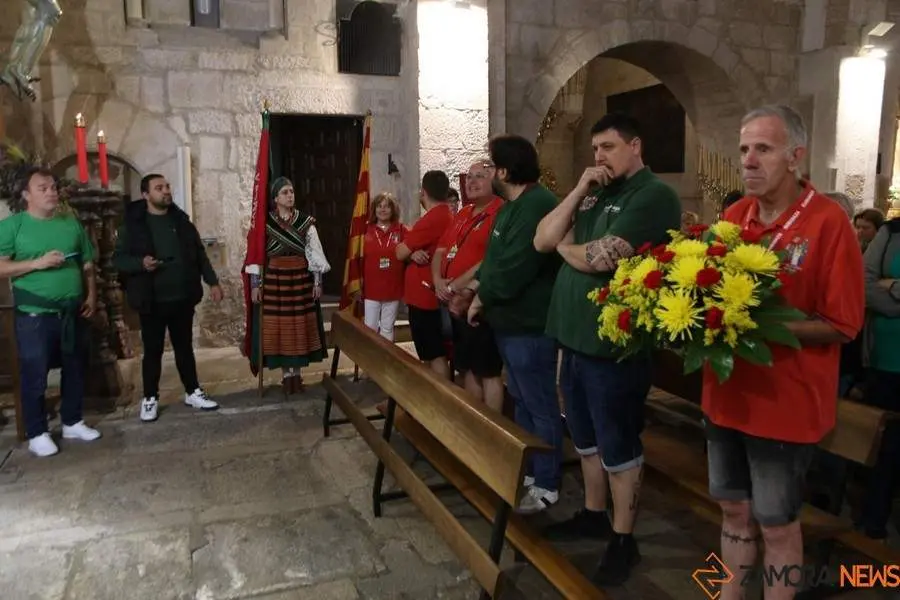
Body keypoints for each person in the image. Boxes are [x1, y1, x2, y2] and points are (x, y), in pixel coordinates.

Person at [703, 105, 864, 600]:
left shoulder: (828, 222)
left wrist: (758, 326)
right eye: (744, 149)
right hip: (727, 396)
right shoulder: (734, 216)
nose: (748, 160)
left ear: (795, 156)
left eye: (763, 149)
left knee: (776, 525)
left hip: (785, 405)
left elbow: (843, 324)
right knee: (732, 510)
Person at [534, 112, 682, 584]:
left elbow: (605, 258)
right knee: (585, 437)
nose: (599, 156)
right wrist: (577, 191)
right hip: (574, 339)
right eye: (594, 148)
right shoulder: (596, 191)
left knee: (618, 443)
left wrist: (567, 247)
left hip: (613, 344)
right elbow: (543, 238)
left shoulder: (653, 195)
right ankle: (595, 513)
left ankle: (624, 538)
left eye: (609, 147)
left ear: (635, 145)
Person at [458, 135, 564, 514]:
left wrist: (481, 297)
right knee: (521, 402)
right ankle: (531, 472)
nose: (486, 172)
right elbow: (494, 259)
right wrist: (473, 286)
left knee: (540, 406)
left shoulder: (538, 204)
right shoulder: (508, 208)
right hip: (508, 326)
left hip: (530, 327)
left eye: (489, 166)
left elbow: (516, 268)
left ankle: (549, 483)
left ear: (504, 170)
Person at [0, 166, 101, 456]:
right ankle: (37, 431)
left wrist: (91, 296)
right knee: (35, 372)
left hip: (72, 311)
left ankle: (72, 421)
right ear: (26, 194)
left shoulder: (70, 222)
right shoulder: (13, 226)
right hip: (35, 315)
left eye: (53, 187)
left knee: (75, 367)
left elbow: (87, 264)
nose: (51, 192)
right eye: (42, 188)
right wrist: (36, 263)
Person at [114, 173, 224, 422]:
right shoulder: (133, 226)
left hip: (181, 296)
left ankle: (193, 391)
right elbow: (118, 259)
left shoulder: (182, 222)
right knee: (153, 351)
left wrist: (213, 282)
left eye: (167, 186)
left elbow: (199, 254)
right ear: (146, 194)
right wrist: (140, 263)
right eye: (159, 187)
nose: (165, 191)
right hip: (151, 299)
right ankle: (150, 398)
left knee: (184, 348)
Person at [243, 177, 331, 395]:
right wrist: (256, 284)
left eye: (291, 191)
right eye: (284, 192)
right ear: (275, 198)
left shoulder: (305, 222)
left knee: (299, 327)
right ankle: (286, 375)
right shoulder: (265, 224)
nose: (290, 195)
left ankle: (297, 375)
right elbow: (258, 256)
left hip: (300, 280)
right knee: (279, 328)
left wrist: (317, 281)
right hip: (275, 283)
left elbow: (314, 252)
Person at [433, 160, 505, 408]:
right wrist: (438, 281)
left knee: (488, 370)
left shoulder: (500, 212)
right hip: (455, 301)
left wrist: (454, 286)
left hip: (479, 300)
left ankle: (493, 430)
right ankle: (475, 424)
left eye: (480, 177)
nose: (472, 182)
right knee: (467, 367)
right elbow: (442, 250)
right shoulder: (463, 212)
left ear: (493, 180)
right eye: (469, 177)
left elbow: (491, 259)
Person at [858, 216, 900, 540]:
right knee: (883, 446)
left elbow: (881, 285)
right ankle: (873, 518)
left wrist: (894, 286)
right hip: (885, 358)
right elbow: (864, 283)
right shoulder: (890, 232)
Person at [395, 170, 454, 378]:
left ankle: (439, 401)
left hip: (425, 296)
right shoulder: (447, 214)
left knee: (433, 353)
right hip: (429, 294)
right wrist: (414, 251)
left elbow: (400, 251)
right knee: (432, 352)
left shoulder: (432, 219)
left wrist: (408, 249)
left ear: (423, 192)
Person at [362, 192, 406, 341]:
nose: (383, 210)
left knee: (387, 327)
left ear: (393, 210)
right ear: (374, 209)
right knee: (370, 328)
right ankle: (370, 363)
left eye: (387, 206)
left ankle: (385, 362)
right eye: (379, 206)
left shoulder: (401, 229)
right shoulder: (365, 230)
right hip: (371, 288)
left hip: (393, 287)